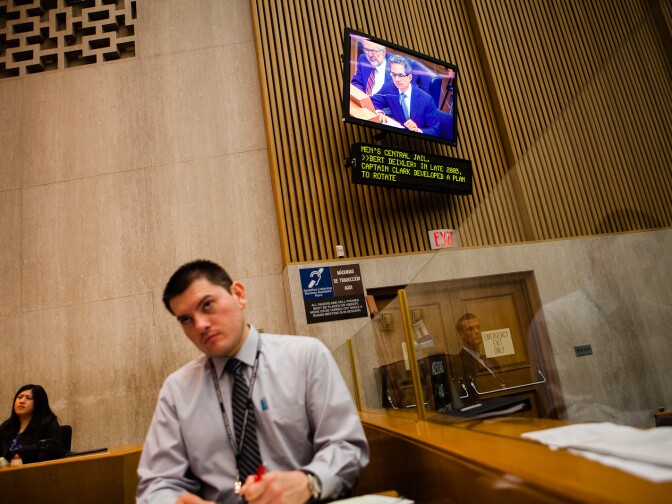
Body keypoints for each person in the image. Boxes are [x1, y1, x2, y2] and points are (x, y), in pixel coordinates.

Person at [137, 260, 369, 504]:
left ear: (238, 295)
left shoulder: (305, 357)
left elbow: (346, 446)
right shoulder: (177, 390)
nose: (200, 325)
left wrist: (308, 481)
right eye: (185, 319)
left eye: (207, 305)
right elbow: (156, 484)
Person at [371, 54, 440, 136]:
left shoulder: (427, 100)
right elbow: (373, 101)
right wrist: (379, 112)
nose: (396, 79)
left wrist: (418, 131)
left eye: (401, 75)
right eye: (393, 74)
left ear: (410, 77)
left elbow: (434, 130)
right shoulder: (388, 87)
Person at [0, 384, 63, 464]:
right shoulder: (6, 427)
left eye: (28, 398)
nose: (22, 401)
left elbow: (54, 450)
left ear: (38, 403)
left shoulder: (47, 423)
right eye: (19, 397)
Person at [454, 314, 503, 404]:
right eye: (470, 329)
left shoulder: (491, 360)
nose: (477, 331)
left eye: (478, 327)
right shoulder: (458, 363)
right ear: (461, 335)